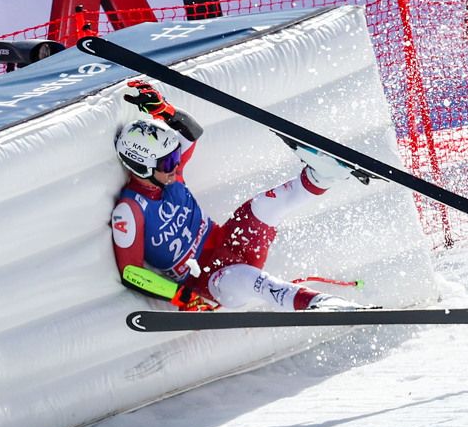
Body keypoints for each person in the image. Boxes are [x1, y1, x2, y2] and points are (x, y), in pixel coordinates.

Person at [108, 79, 366, 312]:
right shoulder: (130, 210)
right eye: (168, 162)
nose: (176, 164)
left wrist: (164, 111)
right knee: (254, 282)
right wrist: (183, 298)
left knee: (263, 207)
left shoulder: (170, 178)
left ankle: (323, 175)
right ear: (141, 166)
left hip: (231, 240)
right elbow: (131, 272)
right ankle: (318, 304)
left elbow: (191, 132)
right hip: (212, 278)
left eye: (175, 156)